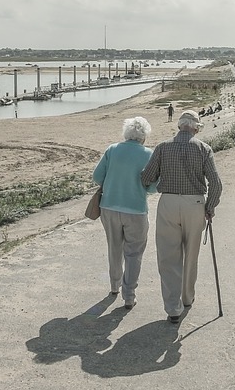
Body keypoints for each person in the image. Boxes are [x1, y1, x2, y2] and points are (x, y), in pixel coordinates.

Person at [140, 110, 222, 324]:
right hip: (195, 203)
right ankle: (187, 297)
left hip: (168, 202)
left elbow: (147, 177)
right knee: (191, 253)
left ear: (179, 126)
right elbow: (216, 182)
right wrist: (210, 206)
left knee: (168, 256)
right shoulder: (204, 148)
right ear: (195, 128)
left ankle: (172, 308)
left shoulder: (162, 147)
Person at [92, 116, 156, 309]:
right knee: (134, 253)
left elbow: (97, 177)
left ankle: (114, 285)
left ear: (126, 133)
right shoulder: (148, 154)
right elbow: (153, 188)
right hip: (135, 210)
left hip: (109, 207)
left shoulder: (112, 150)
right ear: (144, 136)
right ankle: (129, 295)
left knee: (114, 247)